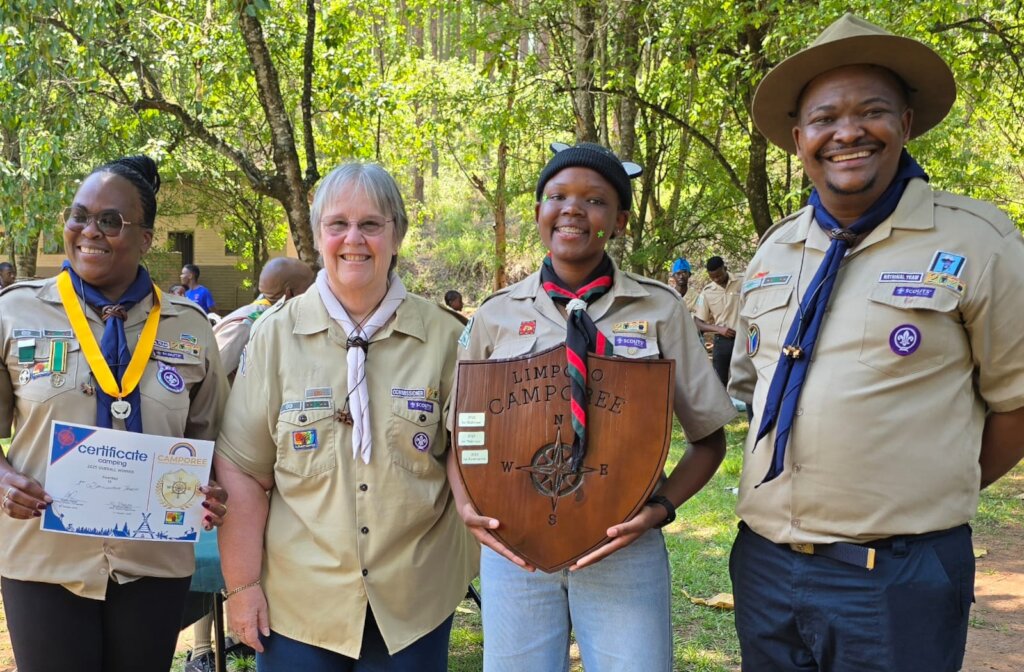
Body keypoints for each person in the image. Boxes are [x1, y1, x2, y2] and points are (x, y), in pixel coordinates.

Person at [728, 14, 1024, 672]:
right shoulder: (777, 249)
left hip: (897, 579)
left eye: (872, 111)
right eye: (826, 117)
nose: (848, 131)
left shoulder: (978, 241)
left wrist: (929, 492)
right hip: (766, 568)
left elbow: (1017, 402)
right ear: (800, 137)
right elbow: (756, 389)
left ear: (907, 124)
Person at [449, 142, 737, 671]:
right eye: (557, 195)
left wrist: (659, 510)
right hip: (515, 550)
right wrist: (467, 508)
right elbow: (460, 433)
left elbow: (709, 437)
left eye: (596, 200)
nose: (573, 209)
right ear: (538, 212)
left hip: (622, 547)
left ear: (620, 220)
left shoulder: (659, 308)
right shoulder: (496, 315)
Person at [214, 161, 477, 671]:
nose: (353, 239)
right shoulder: (274, 336)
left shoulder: (447, 339)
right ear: (317, 236)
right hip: (298, 603)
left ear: (396, 234)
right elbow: (244, 471)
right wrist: (243, 588)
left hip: (413, 601)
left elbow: (471, 461)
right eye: (338, 224)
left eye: (371, 224)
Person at [0, 155, 230, 672]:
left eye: (111, 221)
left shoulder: (189, 328)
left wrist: (213, 489)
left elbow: (211, 442)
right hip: (44, 558)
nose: (89, 232)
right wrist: (3, 480)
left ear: (146, 238)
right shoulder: (14, 313)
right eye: (79, 215)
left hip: (152, 560)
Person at [213, 257, 314, 380]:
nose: (314, 293)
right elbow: (210, 374)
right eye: (309, 288)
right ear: (290, 293)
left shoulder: (275, 318)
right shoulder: (247, 326)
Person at [693, 255, 743, 387]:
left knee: (746, 381)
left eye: (719, 276)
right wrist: (719, 329)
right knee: (719, 383)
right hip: (722, 342)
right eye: (712, 277)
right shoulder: (707, 292)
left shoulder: (743, 281)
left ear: (725, 268)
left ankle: (751, 408)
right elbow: (698, 322)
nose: (716, 279)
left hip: (744, 339)